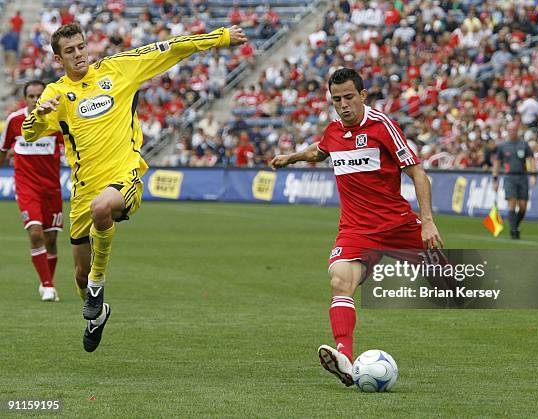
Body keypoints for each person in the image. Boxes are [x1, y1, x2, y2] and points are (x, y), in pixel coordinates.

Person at [22, 23, 247, 352]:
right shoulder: (55, 94)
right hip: (84, 189)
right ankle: (97, 311)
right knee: (79, 276)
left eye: (81, 47)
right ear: (58, 60)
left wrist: (220, 38)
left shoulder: (119, 68)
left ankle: (99, 286)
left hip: (124, 175)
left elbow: (170, 47)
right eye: (70, 51)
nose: (79, 54)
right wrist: (38, 115)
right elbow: (29, 133)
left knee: (102, 212)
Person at [270, 68, 443, 387]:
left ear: (363, 95)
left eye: (349, 97)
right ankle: (344, 359)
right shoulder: (334, 131)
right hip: (356, 231)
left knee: (458, 281)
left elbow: (418, 173)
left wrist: (428, 221)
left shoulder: (382, 127)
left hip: (397, 225)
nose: (343, 105)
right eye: (337, 100)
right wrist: (291, 158)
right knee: (339, 281)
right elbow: (318, 151)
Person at [1, 80, 64, 302]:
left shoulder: (56, 122)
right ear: (24, 98)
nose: (36, 100)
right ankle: (48, 285)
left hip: (52, 188)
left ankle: (47, 280)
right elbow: (3, 151)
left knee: (51, 239)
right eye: (31, 96)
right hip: (26, 187)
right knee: (35, 233)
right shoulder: (15, 121)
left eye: (40, 95)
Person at [492, 123, 536, 239]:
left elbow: (531, 159)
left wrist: (533, 175)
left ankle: (515, 226)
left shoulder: (524, 144)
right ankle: (513, 230)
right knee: (512, 202)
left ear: (517, 130)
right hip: (509, 177)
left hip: (522, 177)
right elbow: (497, 163)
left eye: (514, 130)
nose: (512, 132)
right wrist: (495, 179)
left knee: (523, 206)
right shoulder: (503, 146)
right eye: (510, 130)